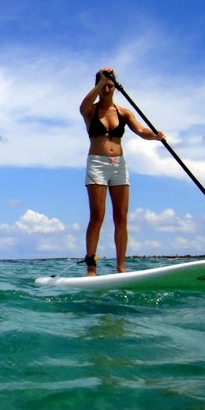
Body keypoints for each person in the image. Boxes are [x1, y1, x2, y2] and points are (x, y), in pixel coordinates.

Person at [80, 67, 165, 276]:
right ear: (97, 87)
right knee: (97, 215)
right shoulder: (90, 110)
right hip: (97, 164)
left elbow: (140, 130)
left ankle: (121, 267)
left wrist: (154, 135)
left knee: (121, 217)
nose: (107, 89)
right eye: (102, 86)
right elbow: (83, 105)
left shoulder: (124, 112)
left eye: (110, 85)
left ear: (115, 87)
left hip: (119, 165)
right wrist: (101, 80)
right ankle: (91, 267)